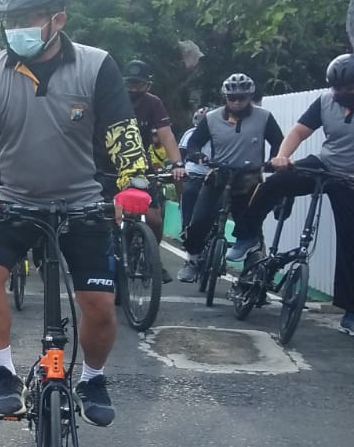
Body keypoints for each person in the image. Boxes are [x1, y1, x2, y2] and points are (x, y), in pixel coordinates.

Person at [0, 0, 151, 427]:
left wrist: (134, 184)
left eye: (28, 17)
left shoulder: (97, 64)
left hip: (83, 203)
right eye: (10, 18)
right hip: (13, 201)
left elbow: (123, 133)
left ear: (57, 19)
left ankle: (92, 377)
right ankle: (3, 373)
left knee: (100, 306)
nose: (16, 27)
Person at [227, 54, 354, 334]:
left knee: (350, 242)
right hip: (325, 164)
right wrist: (282, 156)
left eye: (346, 89)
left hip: (349, 179)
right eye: (336, 88)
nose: (339, 94)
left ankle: (350, 310)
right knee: (273, 183)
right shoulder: (324, 102)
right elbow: (298, 132)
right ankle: (247, 236)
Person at [177, 73, 283, 282]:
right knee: (199, 220)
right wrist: (197, 154)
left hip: (249, 178)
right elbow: (194, 142)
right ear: (224, 97)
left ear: (250, 96)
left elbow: (278, 141)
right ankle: (193, 260)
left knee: (250, 226)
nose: (236, 102)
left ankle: (253, 272)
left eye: (242, 98)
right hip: (219, 175)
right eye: (231, 98)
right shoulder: (211, 118)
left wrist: (273, 160)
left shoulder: (264, 117)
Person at [115, 59, 185, 281]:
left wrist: (177, 164)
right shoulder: (112, 99)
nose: (133, 89)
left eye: (139, 85)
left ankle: (152, 257)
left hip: (139, 166)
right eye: (130, 84)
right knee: (105, 216)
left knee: (154, 218)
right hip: (108, 164)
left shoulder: (154, 103)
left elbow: (166, 134)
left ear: (148, 85)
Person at [178, 106, 211, 235]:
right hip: (194, 173)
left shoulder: (221, 132)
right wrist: (179, 166)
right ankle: (186, 226)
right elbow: (182, 152)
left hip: (213, 173)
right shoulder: (190, 134)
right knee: (189, 193)